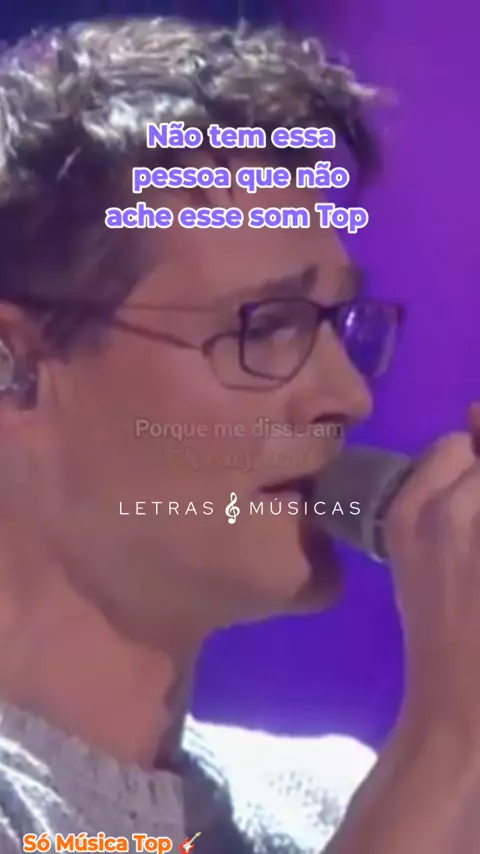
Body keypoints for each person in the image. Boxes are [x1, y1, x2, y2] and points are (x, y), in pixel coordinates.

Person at [0, 14, 478, 854]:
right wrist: (449, 747)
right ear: (17, 365)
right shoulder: (422, 790)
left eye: (336, 321)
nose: (346, 396)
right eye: (266, 325)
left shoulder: (331, 802)